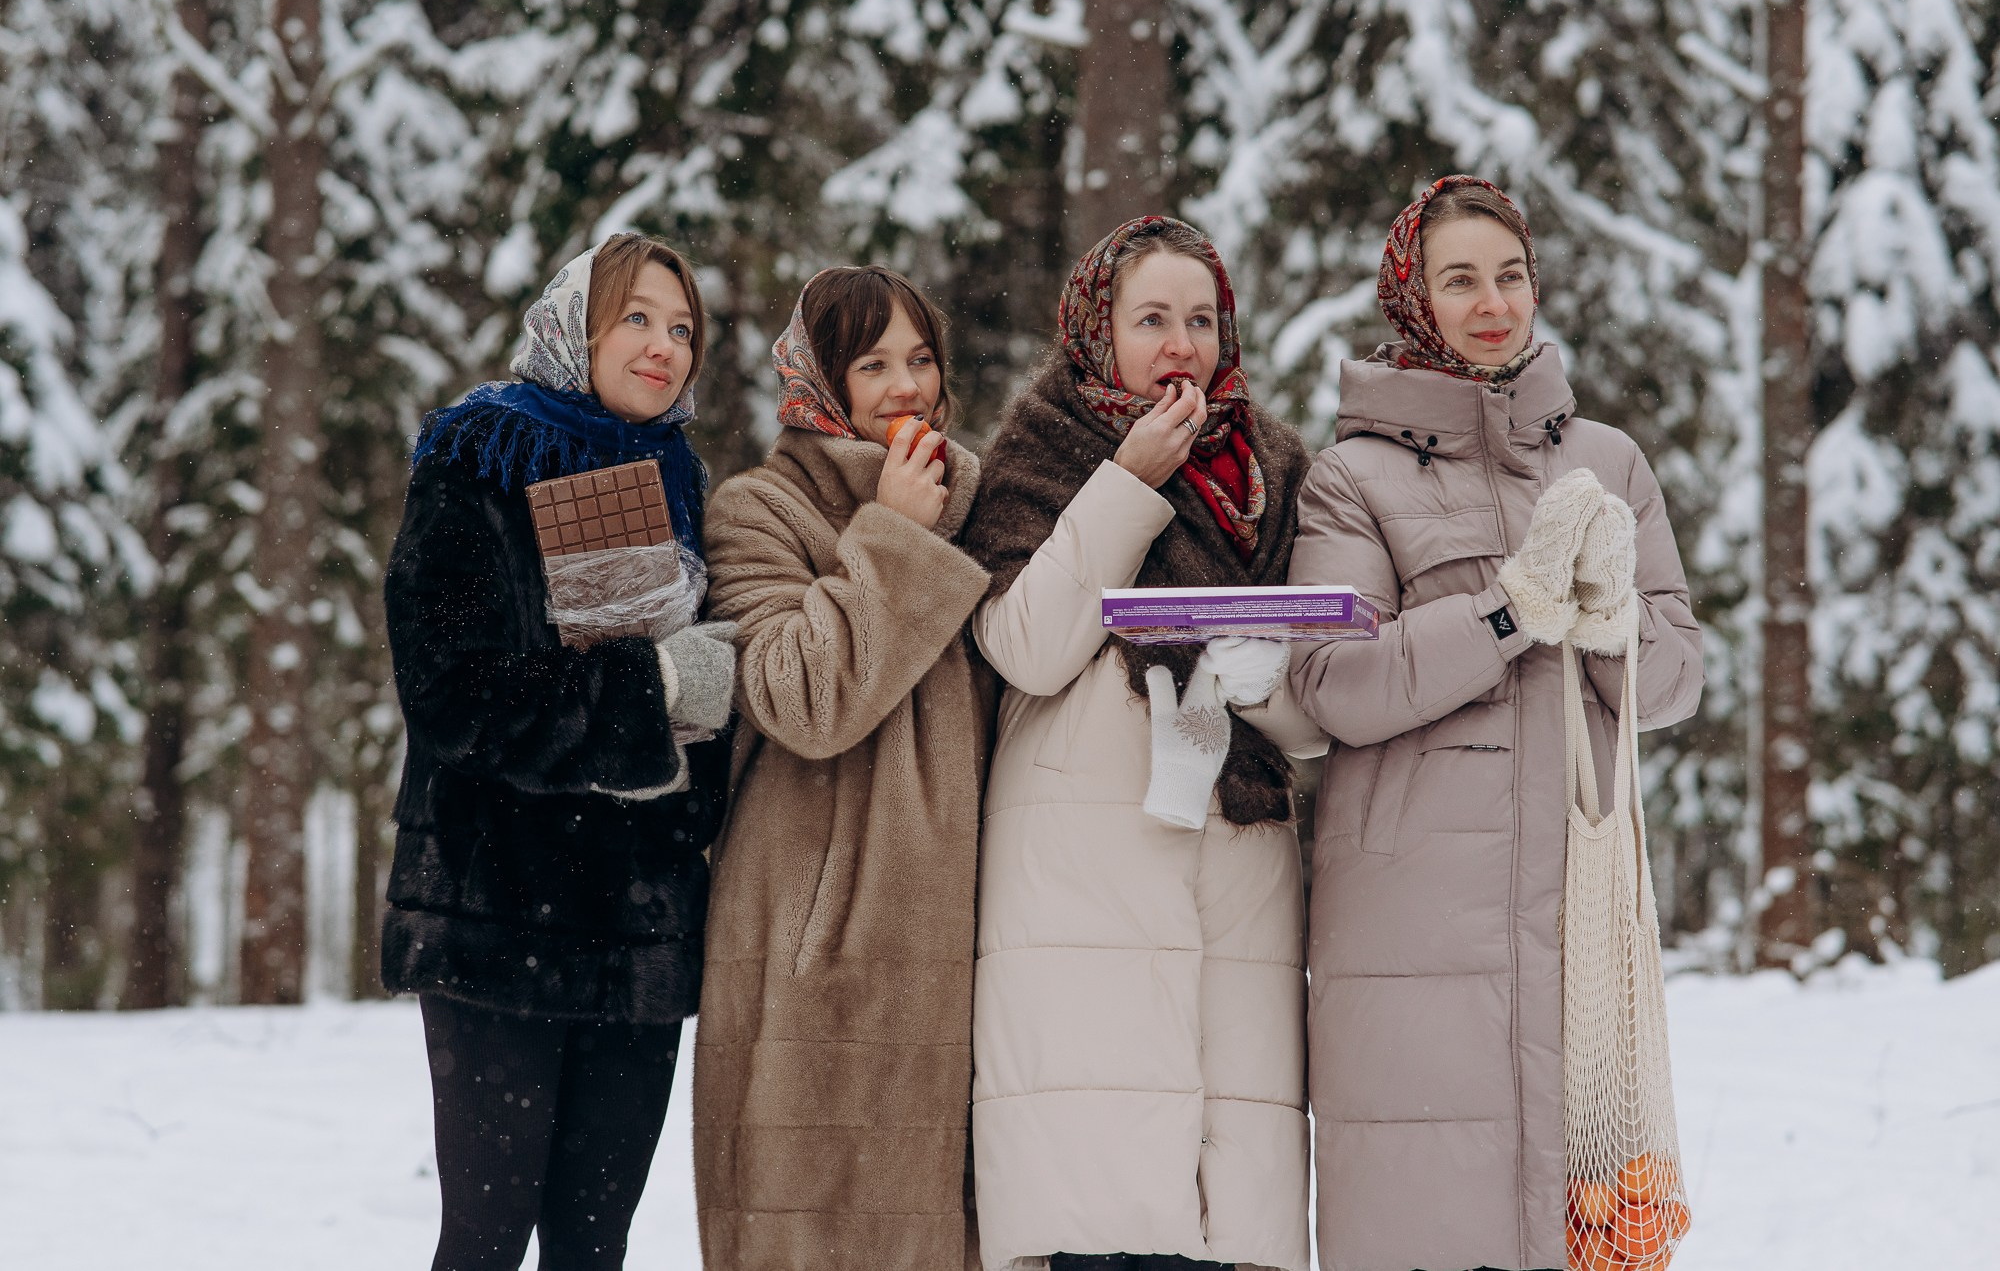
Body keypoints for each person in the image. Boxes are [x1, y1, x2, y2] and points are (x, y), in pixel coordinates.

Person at [1286, 175, 1705, 1271]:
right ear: (1411, 298)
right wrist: (1506, 610)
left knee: (1582, 1231)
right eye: (1460, 280)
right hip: (1411, 920)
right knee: (1426, 1227)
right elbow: (1334, 681)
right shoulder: (1350, 479)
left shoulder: (1608, 463)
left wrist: (1611, 620)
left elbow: (1674, 686)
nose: (1492, 304)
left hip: (1577, 913)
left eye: (1510, 276)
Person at [962, 215, 1324, 1271]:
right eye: (1152, 319)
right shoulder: (1039, 450)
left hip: (1238, 875)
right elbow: (1026, 647)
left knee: (1223, 1218)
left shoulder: (1271, 471)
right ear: (1097, 329)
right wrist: (1126, 480)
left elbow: (1316, 717)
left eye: (1200, 321)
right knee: (1101, 1217)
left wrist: (1263, 680)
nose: (1180, 346)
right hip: (1083, 876)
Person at [381, 233, 737, 1271]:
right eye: (637, 318)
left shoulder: (680, 481)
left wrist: (701, 730)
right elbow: (449, 695)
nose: (664, 346)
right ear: (573, 325)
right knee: (484, 1243)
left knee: (594, 1245)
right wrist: (650, 686)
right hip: (500, 908)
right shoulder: (479, 458)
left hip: (638, 923)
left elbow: (698, 722)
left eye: (682, 329)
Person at [692, 266, 992, 1271]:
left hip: (964, 951)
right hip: (817, 956)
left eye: (920, 359)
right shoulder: (758, 510)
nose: (905, 386)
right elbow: (800, 698)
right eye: (871, 364)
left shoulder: (981, 500)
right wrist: (894, 536)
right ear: (819, 379)